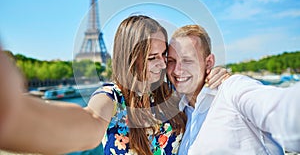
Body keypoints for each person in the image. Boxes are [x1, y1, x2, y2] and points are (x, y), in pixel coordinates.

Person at [0, 15, 228, 155]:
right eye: (151, 58)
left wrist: (215, 76)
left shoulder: (170, 93)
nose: (161, 64)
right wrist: (12, 116)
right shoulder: (112, 98)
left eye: (163, 55)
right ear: (130, 57)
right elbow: (89, 123)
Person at [166, 24, 300, 154]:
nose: (177, 70)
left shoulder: (232, 89)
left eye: (187, 60)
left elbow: (284, 113)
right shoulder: (181, 111)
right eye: (171, 61)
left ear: (209, 63)